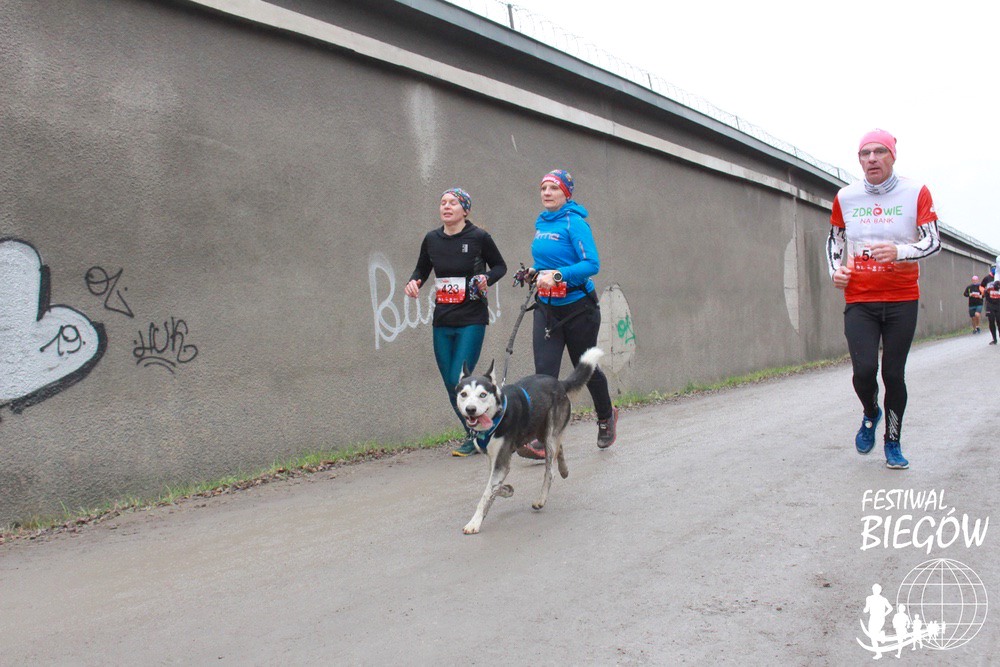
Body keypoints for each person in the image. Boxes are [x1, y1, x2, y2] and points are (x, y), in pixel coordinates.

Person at [826, 129, 940, 470]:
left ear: (893, 156)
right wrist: (835, 271)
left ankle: (893, 441)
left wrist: (900, 252)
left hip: (902, 298)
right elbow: (835, 239)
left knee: (893, 374)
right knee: (863, 371)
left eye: (879, 152)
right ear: (859, 160)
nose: (872, 158)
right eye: (865, 153)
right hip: (860, 298)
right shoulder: (846, 196)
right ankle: (871, 411)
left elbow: (933, 241)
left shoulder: (915, 191)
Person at [517, 169, 617, 459]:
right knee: (544, 374)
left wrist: (558, 275)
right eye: (543, 188)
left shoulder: (575, 222)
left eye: (554, 188)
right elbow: (548, 260)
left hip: (578, 308)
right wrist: (535, 272)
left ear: (566, 193)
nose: (547, 193)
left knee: (584, 368)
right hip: (547, 308)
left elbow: (591, 264)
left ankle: (606, 416)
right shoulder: (542, 222)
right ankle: (544, 437)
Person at [405, 188, 507, 456]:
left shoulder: (479, 237)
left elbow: (500, 266)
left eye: (453, 203)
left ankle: (482, 431)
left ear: (465, 210)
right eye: (443, 203)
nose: (446, 206)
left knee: (456, 379)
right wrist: (414, 283)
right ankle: (476, 434)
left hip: (472, 318)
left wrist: (486, 278)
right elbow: (421, 269)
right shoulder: (431, 239)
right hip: (442, 320)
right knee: (450, 384)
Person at [983, 279, 1000, 345]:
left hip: (998, 305)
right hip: (990, 305)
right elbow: (985, 293)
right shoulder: (989, 285)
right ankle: (994, 339)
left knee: (999, 321)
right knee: (991, 320)